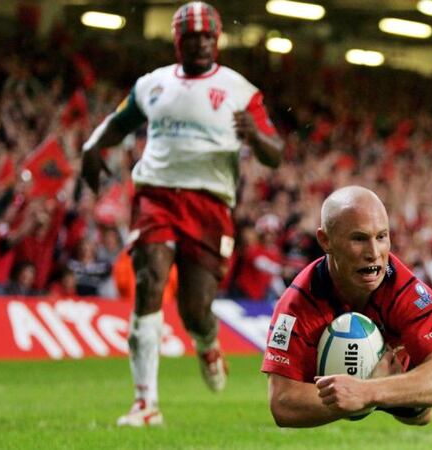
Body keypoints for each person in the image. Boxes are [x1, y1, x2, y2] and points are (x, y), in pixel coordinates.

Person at [80, 1, 284, 426]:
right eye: (193, 38)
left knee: (195, 307)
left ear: (218, 40)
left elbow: (275, 153)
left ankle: (206, 341)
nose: (202, 44)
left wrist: (256, 138)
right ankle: (145, 403)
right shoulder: (152, 86)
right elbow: (119, 123)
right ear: (178, 41)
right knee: (150, 279)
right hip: (156, 195)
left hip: (210, 205)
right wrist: (92, 145)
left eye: (209, 37)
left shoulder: (239, 90)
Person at [261, 186, 432, 427]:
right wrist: (370, 394)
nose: (374, 253)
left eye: (381, 237)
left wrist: (367, 392)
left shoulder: (407, 291)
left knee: (420, 416)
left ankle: (408, 376)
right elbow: (282, 403)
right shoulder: (296, 305)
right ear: (325, 241)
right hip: (371, 373)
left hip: (387, 367)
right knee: (417, 409)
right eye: (359, 238)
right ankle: (405, 386)